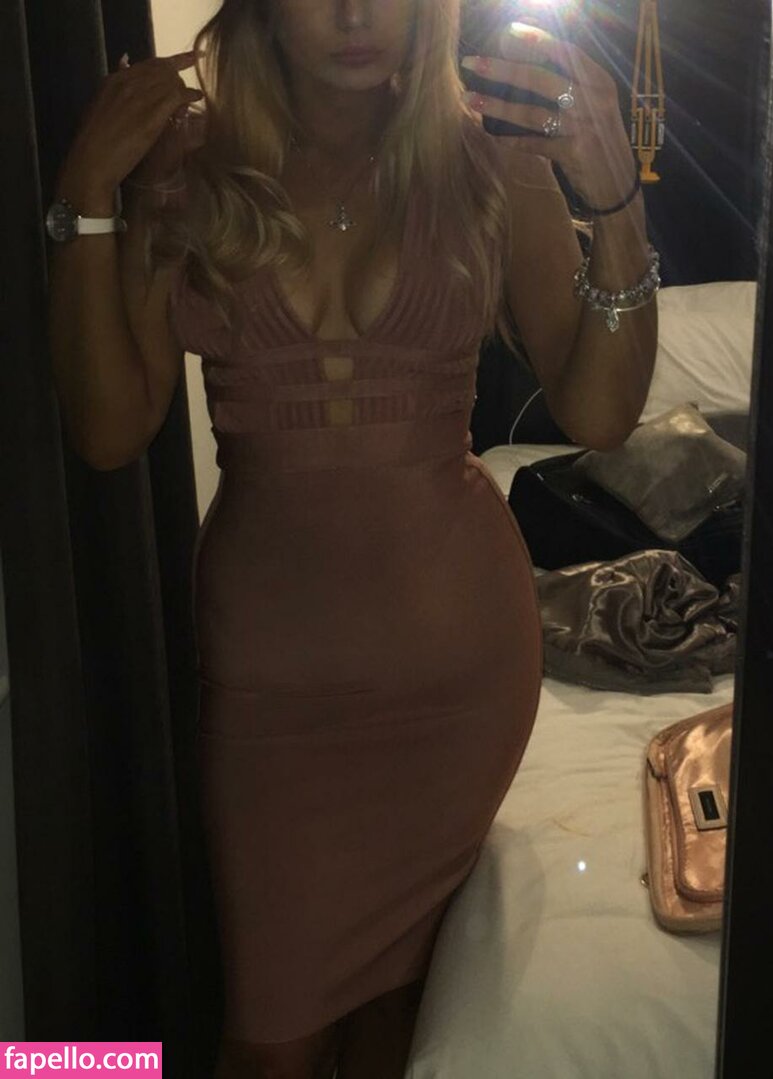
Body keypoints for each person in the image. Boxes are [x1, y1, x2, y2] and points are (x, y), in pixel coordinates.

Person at [46, 0, 657, 1075]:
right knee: (269, 1040)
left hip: (458, 680)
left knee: (398, 1028)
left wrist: (614, 199)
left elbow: (600, 412)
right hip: (272, 699)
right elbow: (108, 430)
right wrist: (87, 195)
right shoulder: (190, 169)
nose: (357, 11)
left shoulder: (488, 163)